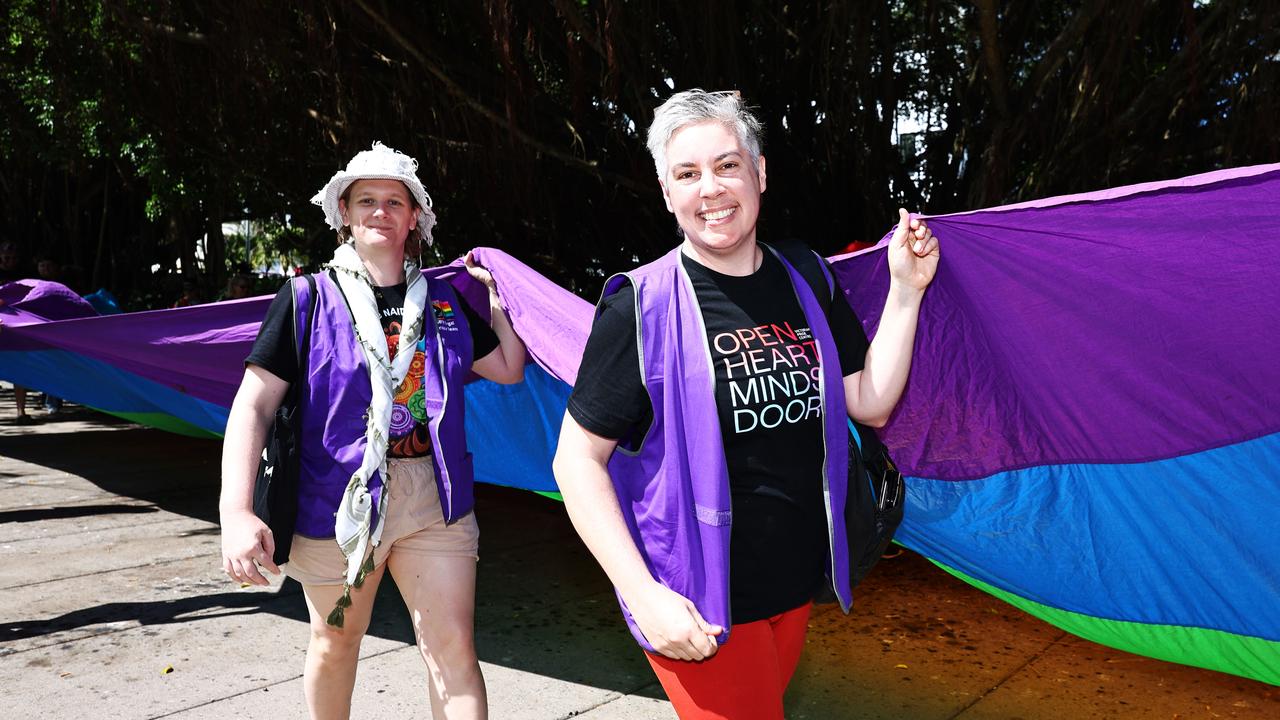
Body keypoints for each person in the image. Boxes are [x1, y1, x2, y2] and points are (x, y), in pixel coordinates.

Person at [552, 90, 940, 719]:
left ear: (759, 174)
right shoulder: (640, 307)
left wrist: (906, 291)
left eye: (728, 165)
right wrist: (643, 594)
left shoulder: (805, 275)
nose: (712, 189)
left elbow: (867, 401)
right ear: (666, 191)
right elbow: (575, 461)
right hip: (698, 598)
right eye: (688, 173)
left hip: (791, 585)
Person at [219, 142, 526, 720]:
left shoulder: (444, 302)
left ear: (415, 217)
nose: (380, 212)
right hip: (337, 499)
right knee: (336, 642)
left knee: (454, 650)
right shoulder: (307, 297)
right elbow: (253, 407)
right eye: (366, 201)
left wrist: (496, 298)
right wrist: (236, 512)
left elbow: (507, 369)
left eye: (394, 201)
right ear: (345, 215)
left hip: (434, 498)